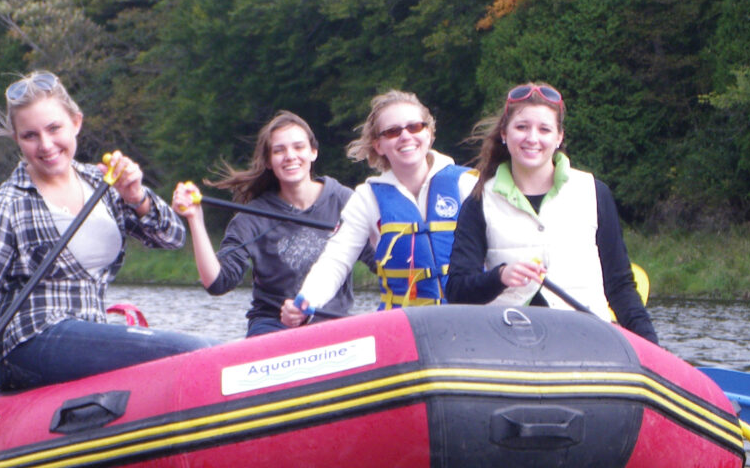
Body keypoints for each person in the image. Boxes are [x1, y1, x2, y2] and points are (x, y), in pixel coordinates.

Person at [0, 70, 213, 405]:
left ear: (76, 122)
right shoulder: (8, 204)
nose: (46, 145)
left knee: (200, 351)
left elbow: (173, 238)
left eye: (54, 129)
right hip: (27, 341)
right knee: (192, 351)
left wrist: (137, 197)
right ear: (17, 140)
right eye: (30, 136)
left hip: (88, 331)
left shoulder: (104, 183)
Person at [445, 82, 658, 344]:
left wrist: (652, 348)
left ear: (558, 138)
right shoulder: (478, 200)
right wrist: (499, 276)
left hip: (585, 339)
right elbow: (457, 290)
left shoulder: (594, 192)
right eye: (521, 127)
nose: (532, 138)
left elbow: (620, 286)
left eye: (544, 129)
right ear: (504, 133)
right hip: (506, 341)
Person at [279, 90, 478, 326]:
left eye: (414, 127)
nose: (405, 136)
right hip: (404, 324)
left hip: (469, 319)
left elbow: (497, 251)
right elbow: (336, 260)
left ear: (429, 134)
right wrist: (306, 301)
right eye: (393, 132)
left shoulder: (467, 184)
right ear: (379, 145)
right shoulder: (367, 198)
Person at [171, 111, 372, 337]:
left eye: (298, 147)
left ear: (313, 152)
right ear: (268, 161)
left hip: (334, 326)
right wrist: (195, 219)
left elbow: (382, 262)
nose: (290, 156)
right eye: (279, 150)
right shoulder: (252, 217)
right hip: (273, 328)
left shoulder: (347, 201)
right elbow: (218, 283)